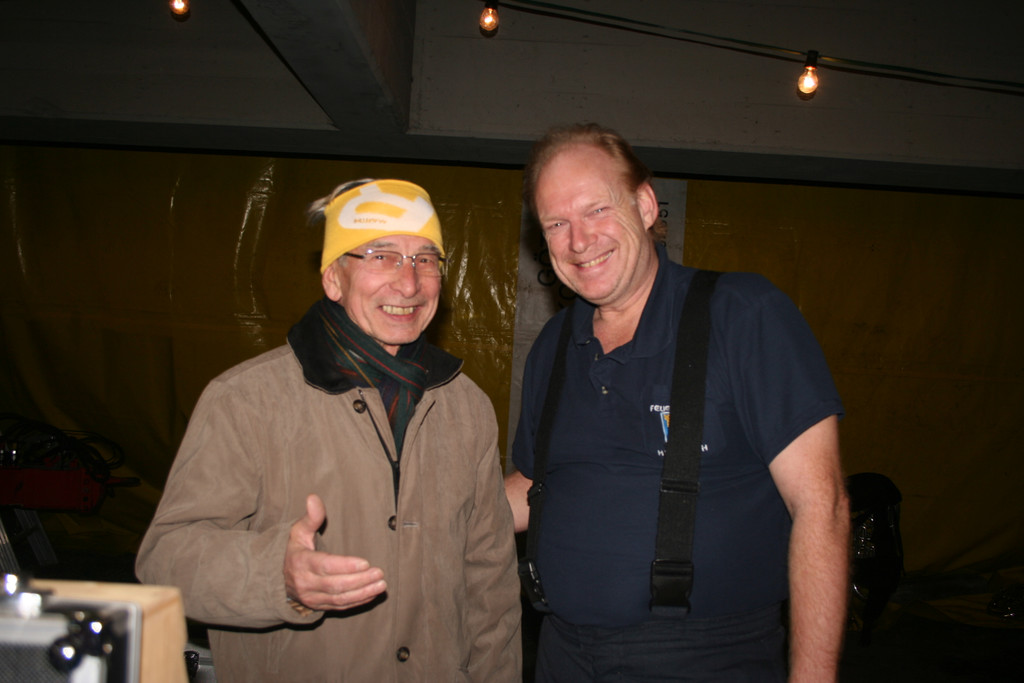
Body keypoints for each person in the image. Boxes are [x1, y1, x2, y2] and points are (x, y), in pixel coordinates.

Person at [137, 179, 522, 682]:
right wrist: (277, 574)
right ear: (333, 278)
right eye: (382, 256)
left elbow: (490, 579)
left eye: (425, 259)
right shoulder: (247, 400)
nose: (409, 283)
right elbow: (165, 559)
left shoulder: (465, 406)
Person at [505, 124, 850, 682]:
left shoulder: (743, 314)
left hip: (705, 656)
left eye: (596, 210)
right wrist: (409, 525)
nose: (579, 241)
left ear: (645, 205)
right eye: (556, 224)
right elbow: (533, 485)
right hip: (560, 652)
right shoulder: (554, 344)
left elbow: (821, 504)